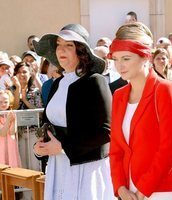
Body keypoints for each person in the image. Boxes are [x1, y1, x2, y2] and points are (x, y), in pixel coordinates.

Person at [108, 22, 172, 200]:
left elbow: (168, 149)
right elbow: (115, 148)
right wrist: (120, 188)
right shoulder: (119, 95)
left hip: (163, 189)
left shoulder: (166, 89)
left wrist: (143, 190)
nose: (119, 65)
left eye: (126, 58)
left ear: (145, 57)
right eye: (115, 59)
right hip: (129, 190)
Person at [33, 23, 115, 200]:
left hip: (87, 167)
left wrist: (63, 147)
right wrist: (41, 147)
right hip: (58, 166)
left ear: (81, 51)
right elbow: (49, 124)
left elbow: (106, 132)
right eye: (59, 45)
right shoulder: (56, 84)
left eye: (69, 45)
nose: (61, 49)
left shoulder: (95, 81)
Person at [0, 89, 21, 168]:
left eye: (5, 102)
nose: (3, 104)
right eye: (0, 102)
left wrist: (14, 120)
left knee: (12, 166)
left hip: (10, 144)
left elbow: (12, 132)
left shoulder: (11, 113)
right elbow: (2, 133)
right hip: (1, 146)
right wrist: (8, 120)